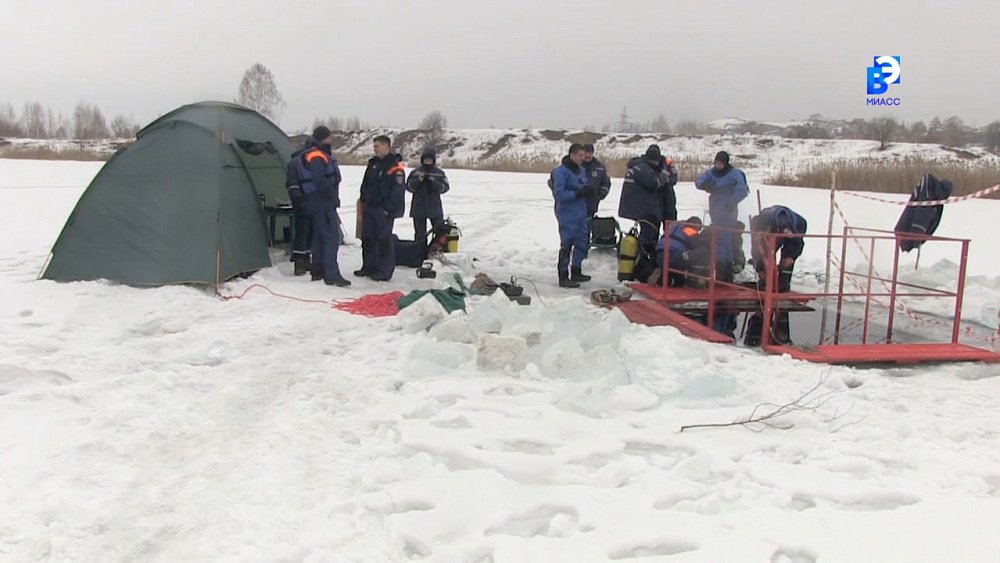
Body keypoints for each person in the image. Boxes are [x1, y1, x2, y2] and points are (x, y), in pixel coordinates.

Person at [694, 151, 749, 336]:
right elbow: (699, 180)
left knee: (722, 242)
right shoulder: (712, 173)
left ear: (726, 163)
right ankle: (723, 273)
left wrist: (731, 202)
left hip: (727, 210)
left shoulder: (735, 174)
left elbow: (742, 190)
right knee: (720, 242)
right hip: (715, 209)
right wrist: (704, 185)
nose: (717, 166)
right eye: (716, 163)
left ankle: (723, 274)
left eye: (720, 163)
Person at [295, 126, 350, 286]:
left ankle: (317, 271)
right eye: (329, 137)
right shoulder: (317, 155)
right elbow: (319, 179)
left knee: (319, 237)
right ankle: (331, 274)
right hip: (322, 201)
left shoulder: (314, 153)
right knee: (331, 237)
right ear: (323, 138)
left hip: (316, 201)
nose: (331, 140)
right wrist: (330, 195)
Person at [745, 205, 808, 345]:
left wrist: (790, 257)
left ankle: (781, 334)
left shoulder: (800, 224)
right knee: (766, 270)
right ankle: (756, 332)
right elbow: (757, 249)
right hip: (769, 236)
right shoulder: (761, 222)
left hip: (788, 238)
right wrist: (760, 267)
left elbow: (797, 244)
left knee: (784, 277)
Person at [355, 135, 406, 281]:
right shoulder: (373, 164)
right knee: (368, 238)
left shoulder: (395, 167)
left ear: (386, 146)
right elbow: (366, 184)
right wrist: (363, 200)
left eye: (377, 146)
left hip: (383, 210)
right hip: (369, 207)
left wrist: (388, 208)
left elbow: (397, 191)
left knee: (383, 240)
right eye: (374, 146)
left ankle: (384, 270)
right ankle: (369, 266)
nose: (374, 149)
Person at [551, 143, 593, 288]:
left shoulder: (581, 170)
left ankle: (576, 270)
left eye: (584, 155)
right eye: (580, 155)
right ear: (572, 155)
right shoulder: (561, 172)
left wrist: (589, 190)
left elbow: (583, 184)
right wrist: (577, 194)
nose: (583, 158)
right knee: (567, 243)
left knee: (582, 241)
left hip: (581, 211)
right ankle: (563, 275)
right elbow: (559, 194)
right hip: (566, 212)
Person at [618, 145, 670, 249]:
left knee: (648, 234)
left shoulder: (638, 166)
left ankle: (641, 256)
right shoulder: (643, 169)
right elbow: (653, 183)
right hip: (645, 210)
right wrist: (663, 175)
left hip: (639, 208)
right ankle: (644, 260)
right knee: (648, 237)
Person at [406, 148, 450, 243]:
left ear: (433, 160)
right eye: (426, 159)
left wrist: (433, 181)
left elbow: (445, 188)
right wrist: (419, 180)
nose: (427, 161)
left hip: (434, 206)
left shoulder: (439, 173)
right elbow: (409, 187)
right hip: (418, 207)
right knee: (420, 234)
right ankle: (420, 252)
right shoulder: (415, 172)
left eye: (430, 160)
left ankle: (436, 249)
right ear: (422, 160)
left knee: (439, 230)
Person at [285, 145, 313, 276]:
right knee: (302, 232)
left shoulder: (304, 161)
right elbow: (292, 183)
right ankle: (299, 262)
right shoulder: (296, 163)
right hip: (302, 202)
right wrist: (299, 200)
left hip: (308, 201)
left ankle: (306, 259)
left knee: (308, 231)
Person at [656, 216, 702, 287]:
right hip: (672, 257)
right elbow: (697, 245)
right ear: (695, 225)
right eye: (698, 229)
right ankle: (692, 280)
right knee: (699, 254)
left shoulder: (674, 226)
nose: (697, 232)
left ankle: (662, 278)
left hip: (659, 255)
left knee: (678, 280)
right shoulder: (689, 229)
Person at [581, 143, 611, 217]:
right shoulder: (576, 165)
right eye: (586, 153)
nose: (588, 155)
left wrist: (601, 194)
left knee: (587, 225)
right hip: (576, 203)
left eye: (590, 153)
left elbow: (606, 182)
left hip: (592, 204)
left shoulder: (600, 167)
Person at [659, 156, 679, 223]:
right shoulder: (655, 169)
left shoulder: (671, 169)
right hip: (658, 200)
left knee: (670, 225)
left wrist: (665, 180)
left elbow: (673, 180)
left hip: (669, 200)